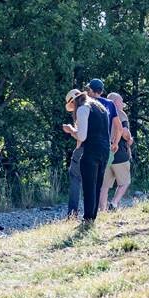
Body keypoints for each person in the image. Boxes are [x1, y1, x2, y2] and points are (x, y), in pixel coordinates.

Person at [68, 88, 111, 222]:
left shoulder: (82, 109)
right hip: (105, 149)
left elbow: (82, 136)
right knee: (97, 184)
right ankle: (93, 217)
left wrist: (71, 131)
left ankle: (87, 218)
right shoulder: (100, 108)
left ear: (74, 102)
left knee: (88, 185)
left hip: (91, 149)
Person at [100, 92, 133, 210]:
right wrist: (130, 139)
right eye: (121, 101)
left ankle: (102, 211)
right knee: (125, 182)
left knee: (104, 186)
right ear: (115, 102)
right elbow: (124, 132)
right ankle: (114, 203)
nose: (123, 104)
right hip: (119, 154)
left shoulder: (102, 113)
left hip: (104, 153)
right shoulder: (120, 114)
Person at [62, 89, 86, 218]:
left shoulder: (81, 112)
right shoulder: (91, 109)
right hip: (97, 149)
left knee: (75, 179)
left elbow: (81, 137)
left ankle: (72, 213)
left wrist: (70, 130)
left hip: (82, 150)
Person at [87, 78, 123, 153]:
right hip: (105, 146)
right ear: (101, 91)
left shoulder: (87, 103)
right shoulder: (110, 103)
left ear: (90, 90)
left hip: (89, 146)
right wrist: (115, 143)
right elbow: (119, 128)